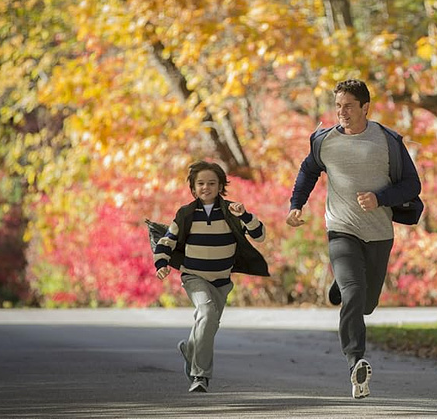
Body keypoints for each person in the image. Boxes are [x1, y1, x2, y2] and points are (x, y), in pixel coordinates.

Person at [286, 79, 422, 399]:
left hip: (378, 233)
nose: (341, 112)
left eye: (348, 106)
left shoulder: (387, 141)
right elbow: (308, 171)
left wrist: (381, 198)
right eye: (337, 106)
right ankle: (355, 361)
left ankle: (343, 284)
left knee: (367, 303)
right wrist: (296, 205)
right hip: (341, 229)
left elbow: (412, 185)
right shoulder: (325, 141)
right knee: (354, 293)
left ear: (365, 107)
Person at [154, 160, 269, 393]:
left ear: (220, 186)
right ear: (194, 188)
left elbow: (260, 236)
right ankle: (200, 376)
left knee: (209, 325)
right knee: (206, 313)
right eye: (201, 183)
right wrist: (161, 263)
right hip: (194, 276)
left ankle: (191, 350)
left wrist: (245, 215)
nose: (206, 187)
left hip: (222, 280)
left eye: (212, 183)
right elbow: (167, 240)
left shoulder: (231, 211)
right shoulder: (186, 213)